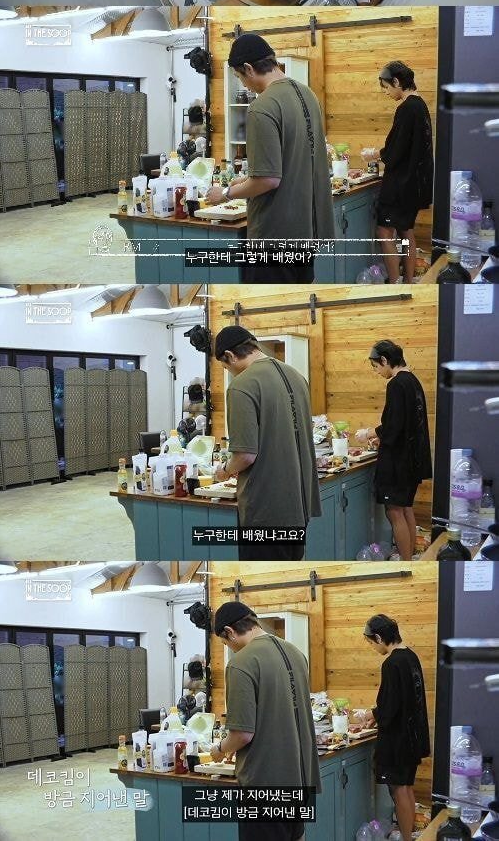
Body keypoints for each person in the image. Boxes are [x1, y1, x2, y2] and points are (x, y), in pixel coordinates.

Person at [205, 34, 335, 284]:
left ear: (249, 68)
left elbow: (268, 180)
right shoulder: (308, 94)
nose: (244, 85)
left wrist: (226, 193)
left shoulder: (262, 106)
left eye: (240, 77)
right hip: (306, 229)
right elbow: (293, 159)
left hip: (275, 235)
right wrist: (248, 178)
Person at [211, 601, 321, 841]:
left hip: (265, 785)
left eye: (225, 642)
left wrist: (220, 749)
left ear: (229, 631)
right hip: (299, 778)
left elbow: (242, 734)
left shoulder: (241, 663)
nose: (229, 648)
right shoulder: (296, 654)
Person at [213, 325, 322, 560]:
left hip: (266, 511)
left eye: (225, 366)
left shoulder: (242, 385)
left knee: (262, 573)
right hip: (299, 504)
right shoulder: (297, 377)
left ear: (230, 355)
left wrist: (224, 470)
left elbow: (245, 455)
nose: (229, 372)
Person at [355, 340, 432, 561]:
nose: (377, 372)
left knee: (394, 512)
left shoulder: (397, 384)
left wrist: (369, 433)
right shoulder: (412, 381)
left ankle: (405, 564)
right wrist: (382, 438)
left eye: (376, 367)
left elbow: (393, 425)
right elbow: (406, 424)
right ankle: (410, 560)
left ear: (385, 360)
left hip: (398, 462)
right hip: (412, 460)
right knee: (406, 508)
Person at [359, 614, 430, 841]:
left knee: (399, 791)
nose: (373, 647)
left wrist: (372, 714)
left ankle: (407, 838)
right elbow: (405, 699)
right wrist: (377, 715)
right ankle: (409, 836)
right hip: (413, 737)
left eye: (371, 642)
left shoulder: (392, 663)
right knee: (406, 788)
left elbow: (390, 706)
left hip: (398, 740)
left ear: (379, 638)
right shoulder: (410, 656)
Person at [362, 61, 433, 284]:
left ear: (396, 82)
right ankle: (408, 281)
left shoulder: (407, 108)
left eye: (386, 87)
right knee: (405, 231)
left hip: (401, 185)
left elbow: (395, 150)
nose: (386, 92)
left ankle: (394, 283)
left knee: (384, 232)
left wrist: (373, 154)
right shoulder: (420, 105)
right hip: (416, 185)